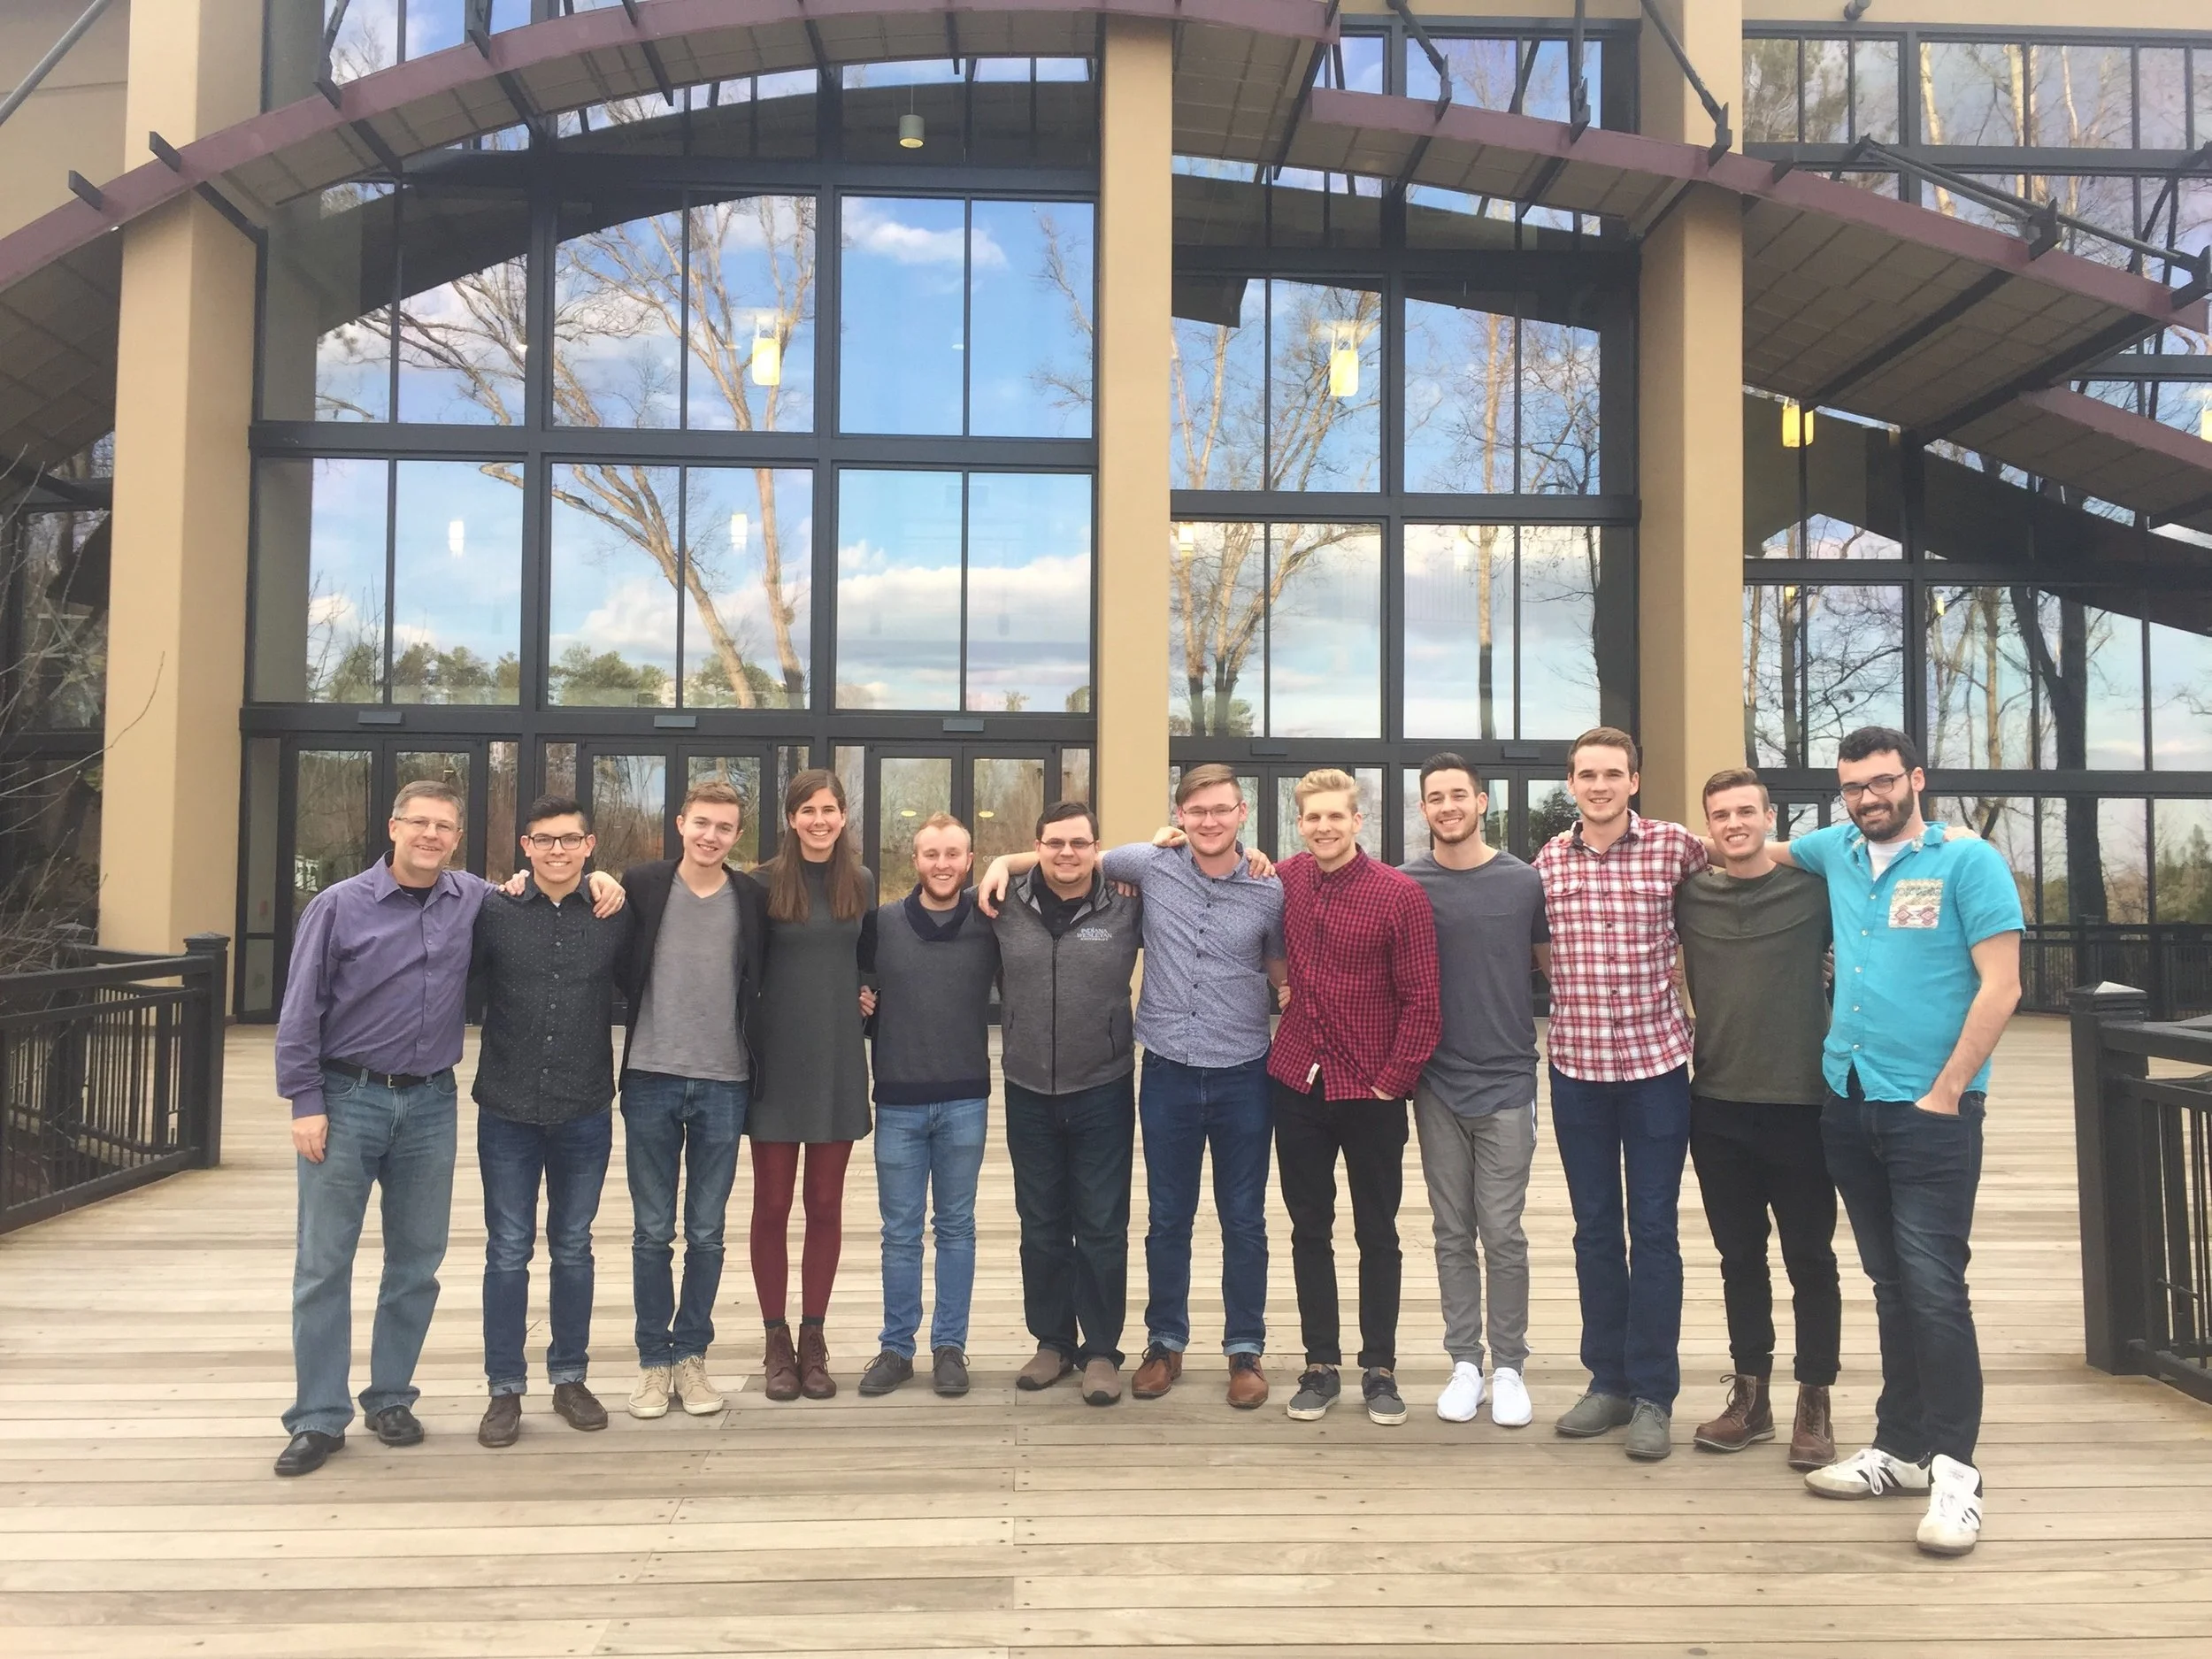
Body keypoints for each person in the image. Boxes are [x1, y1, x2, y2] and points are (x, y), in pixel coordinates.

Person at [273, 780, 622, 1478]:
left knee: (415, 1262)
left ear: (457, 838)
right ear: (394, 827)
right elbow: (298, 1009)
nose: (431, 835)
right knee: (323, 1264)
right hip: (348, 1096)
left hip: (431, 1102)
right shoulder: (339, 906)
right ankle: (318, 1415)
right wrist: (304, 1098)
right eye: (419, 823)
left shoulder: (476, 900)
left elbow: (545, 883)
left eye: (444, 826)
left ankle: (391, 1397)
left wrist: (597, 874)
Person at [1772, 727, 2023, 1558]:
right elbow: (1754, 847)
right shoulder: (1837, 849)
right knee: (1888, 1281)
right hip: (1849, 1098)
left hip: (1931, 1111)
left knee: (1935, 1286)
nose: (1868, 797)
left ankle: (1956, 1472)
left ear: (1916, 779)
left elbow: (2003, 983)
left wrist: (1949, 1088)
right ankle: (1899, 1446)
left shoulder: (1967, 862)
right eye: (1853, 787)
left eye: (1882, 783)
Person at [979, 765, 1285, 1409]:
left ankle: (1240, 1349)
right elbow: (1059, 853)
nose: (1208, 820)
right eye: (1196, 810)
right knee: (1159, 1218)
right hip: (1163, 1069)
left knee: (1242, 1220)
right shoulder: (1146, 866)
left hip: (1238, 1074)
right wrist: (999, 862)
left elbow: (1283, 972)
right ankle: (1155, 1343)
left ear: (1241, 811)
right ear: (1179, 812)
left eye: (1221, 810)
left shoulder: (1265, 886)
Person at [1534, 727, 1709, 1463]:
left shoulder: (1676, 847)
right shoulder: (1547, 860)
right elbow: (1536, 945)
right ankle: (1605, 1380)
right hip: (1577, 1070)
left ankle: (1653, 1394)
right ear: (1571, 784)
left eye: (1613, 773)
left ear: (1634, 780)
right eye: (1586, 774)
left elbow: (1753, 860)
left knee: (1656, 1231)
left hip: (1656, 1069)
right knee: (1595, 1230)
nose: (1599, 785)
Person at [1673, 769, 1839, 1472]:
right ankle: (1752, 1393)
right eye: (1721, 814)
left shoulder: (1816, 890)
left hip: (1803, 1103)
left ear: (1771, 817)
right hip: (1715, 1103)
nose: (1734, 822)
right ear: (1707, 824)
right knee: (1739, 1258)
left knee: (1810, 1259)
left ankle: (1815, 1398)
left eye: (1747, 810)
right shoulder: (1689, 894)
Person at [1269, 769, 1440, 1429]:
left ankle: (1380, 1366)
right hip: (1297, 1082)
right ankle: (1320, 1364)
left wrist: (1390, 1081)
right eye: (1312, 817)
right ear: (1300, 820)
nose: (1324, 827)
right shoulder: (1280, 880)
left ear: (1358, 819)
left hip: (1371, 1089)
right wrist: (1278, 979)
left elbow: (1424, 1001)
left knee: (1378, 1231)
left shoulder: (1399, 895)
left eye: (1335, 816)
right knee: (1308, 1227)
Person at [468, 795, 634, 1448]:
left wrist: (614, 883)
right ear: (526, 846)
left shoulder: (612, 914)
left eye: (570, 840)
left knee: (573, 1246)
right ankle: (504, 1389)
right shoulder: (495, 911)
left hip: (584, 1105)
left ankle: (570, 1376)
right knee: (507, 1249)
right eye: (545, 840)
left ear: (590, 845)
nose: (557, 851)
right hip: (506, 1106)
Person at [1401, 754, 1549, 1431]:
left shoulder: (1524, 883)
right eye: (1435, 797)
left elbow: (1554, 968)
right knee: (1451, 1230)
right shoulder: (1405, 884)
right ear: (1424, 807)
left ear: (1481, 801)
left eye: (1458, 794)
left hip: (1509, 1080)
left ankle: (1510, 1366)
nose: (1448, 805)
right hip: (1435, 1082)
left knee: (1504, 1231)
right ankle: (1466, 1361)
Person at [616, 779, 768, 1421]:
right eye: (701, 822)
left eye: (725, 827)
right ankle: (654, 1360)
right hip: (649, 1074)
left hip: (724, 1079)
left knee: (707, 1231)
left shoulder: (751, 897)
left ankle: (692, 1357)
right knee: (653, 1231)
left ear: (738, 836)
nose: (711, 835)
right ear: (679, 823)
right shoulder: (641, 886)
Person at [986, 800, 1145, 1405]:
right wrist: (1001, 859)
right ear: (1038, 844)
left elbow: (1180, 866)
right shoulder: (1003, 900)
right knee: (1042, 1223)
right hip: (1027, 1085)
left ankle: (1101, 1349)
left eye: (1080, 843)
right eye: (1055, 843)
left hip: (1102, 1084)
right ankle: (1052, 1340)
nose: (1067, 853)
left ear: (1096, 848)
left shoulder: (1127, 899)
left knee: (1103, 1224)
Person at [853, 813, 999, 1399]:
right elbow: (854, 990)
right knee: (900, 1232)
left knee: (957, 1227)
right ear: (915, 859)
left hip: (966, 1098)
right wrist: (858, 1002)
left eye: (953, 854)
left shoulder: (990, 922)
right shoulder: (881, 924)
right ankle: (896, 1347)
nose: (942, 863)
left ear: (970, 860)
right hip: (899, 1101)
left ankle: (950, 1346)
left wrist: (1010, 866)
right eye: (931, 853)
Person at [749, 768, 874, 1402]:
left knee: (825, 1205)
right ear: (792, 817)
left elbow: (871, 958)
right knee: (772, 1207)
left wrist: (869, 991)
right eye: (808, 810)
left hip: (837, 1064)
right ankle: (776, 1340)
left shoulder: (862, 883)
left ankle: (814, 1338)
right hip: (776, 1065)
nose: (820, 819)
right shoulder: (761, 884)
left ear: (844, 815)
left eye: (829, 808)